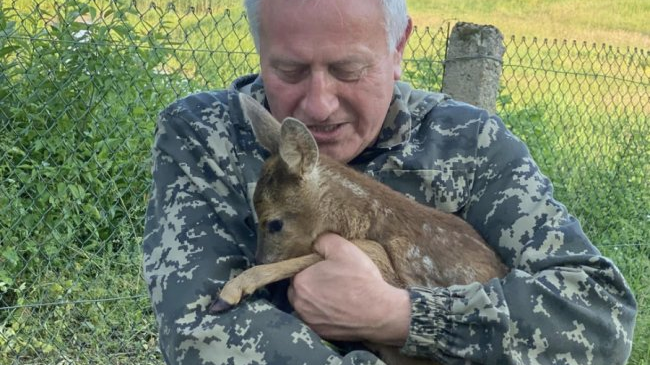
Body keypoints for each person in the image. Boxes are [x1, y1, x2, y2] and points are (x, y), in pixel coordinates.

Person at [142, 0, 637, 364]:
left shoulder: (469, 142)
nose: (318, 105)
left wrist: (399, 315)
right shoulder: (206, 136)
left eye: (349, 69)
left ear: (398, 49)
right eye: (289, 70)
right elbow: (200, 335)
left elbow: (599, 318)